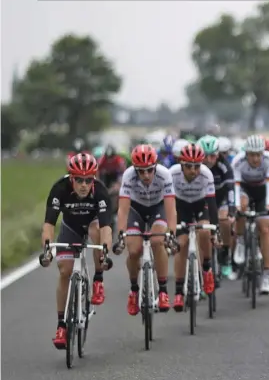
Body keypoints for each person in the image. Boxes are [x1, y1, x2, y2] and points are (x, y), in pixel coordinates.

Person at [39, 153, 113, 349]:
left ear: (93, 179)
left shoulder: (101, 192)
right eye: (79, 180)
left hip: (93, 223)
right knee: (64, 271)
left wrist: (105, 253)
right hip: (70, 227)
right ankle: (62, 325)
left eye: (88, 180)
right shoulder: (59, 189)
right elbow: (48, 224)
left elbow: (107, 228)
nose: (83, 185)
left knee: (96, 231)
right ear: (71, 178)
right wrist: (46, 250)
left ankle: (98, 280)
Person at [114, 144, 179, 315]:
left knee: (158, 241)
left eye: (149, 170)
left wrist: (171, 233)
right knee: (134, 251)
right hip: (136, 209)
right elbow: (123, 209)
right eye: (141, 171)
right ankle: (134, 290)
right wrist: (121, 234)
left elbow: (171, 208)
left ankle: (163, 291)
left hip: (158, 207)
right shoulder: (128, 175)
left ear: (155, 166)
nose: (146, 175)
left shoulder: (165, 175)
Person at [170, 143, 219, 311]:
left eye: (197, 166)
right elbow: (167, 203)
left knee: (205, 231)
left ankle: (206, 269)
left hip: (200, 206)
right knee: (181, 245)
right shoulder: (172, 174)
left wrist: (216, 230)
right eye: (189, 166)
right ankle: (178, 291)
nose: (193, 170)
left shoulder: (206, 174)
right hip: (180, 207)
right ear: (181, 164)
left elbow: (212, 205)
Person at [232, 135, 269, 294]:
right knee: (242, 207)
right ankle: (239, 241)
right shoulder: (238, 162)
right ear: (246, 154)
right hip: (245, 189)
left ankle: (266, 275)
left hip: (263, 191)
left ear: (263, 153)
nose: (255, 158)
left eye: (258, 154)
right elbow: (236, 187)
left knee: (265, 229)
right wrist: (237, 207)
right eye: (252, 155)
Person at [198, 135, 237, 280]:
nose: (209, 160)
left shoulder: (224, 166)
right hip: (202, 202)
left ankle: (225, 256)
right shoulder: (195, 167)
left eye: (213, 156)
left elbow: (231, 189)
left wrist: (232, 209)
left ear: (218, 154)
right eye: (205, 156)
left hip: (220, 201)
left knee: (225, 221)